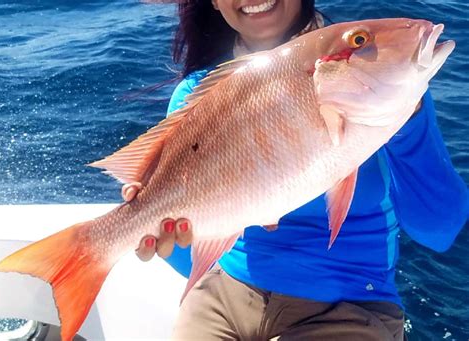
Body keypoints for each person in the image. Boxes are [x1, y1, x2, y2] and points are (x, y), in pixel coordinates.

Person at [126, 0, 468, 339]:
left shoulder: (389, 94)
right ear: (214, 3)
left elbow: (438, 229)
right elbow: (186, 244)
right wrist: (165, 232)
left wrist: (408, 125)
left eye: (361, 42)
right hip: (222, 296)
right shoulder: (194, 97)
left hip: (349, 308)